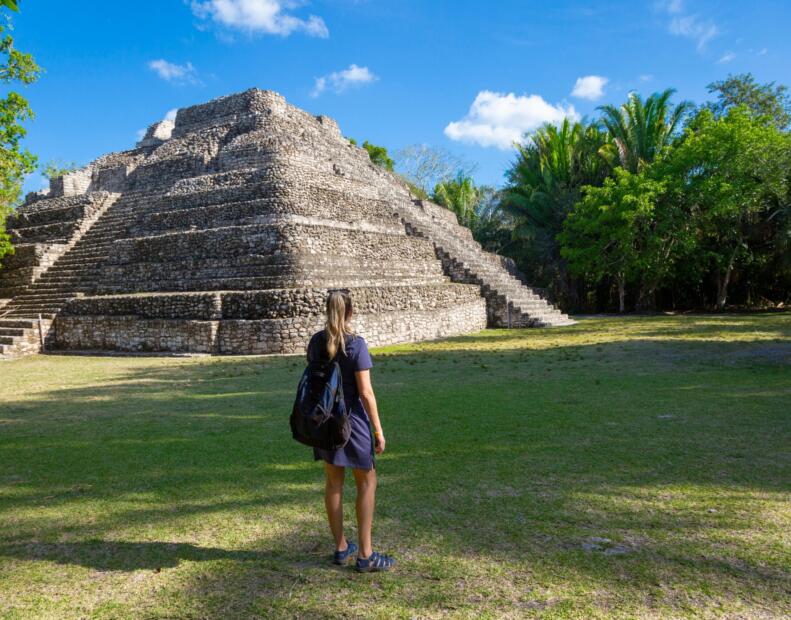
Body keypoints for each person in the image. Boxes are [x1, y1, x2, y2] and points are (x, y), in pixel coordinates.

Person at [307, 291, 395, 572]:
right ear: (351, 312)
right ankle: (366, 555)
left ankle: (342, 547)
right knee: (367, 482)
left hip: (324, 422)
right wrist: (378, 430)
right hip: (352, 422)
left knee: (333, 483)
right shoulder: (356, 345)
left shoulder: (316, 342)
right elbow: (366, 393)